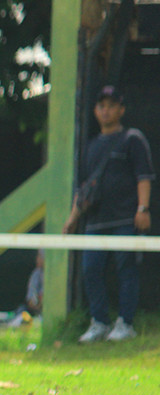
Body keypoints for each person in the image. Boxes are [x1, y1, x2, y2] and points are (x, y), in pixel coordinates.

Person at [64, 85, 154, 343]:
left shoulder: (132, 139)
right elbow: (83, 189)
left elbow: (143, 177)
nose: (106, 111)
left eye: (111, 105)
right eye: (101, 106)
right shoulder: (90, 146)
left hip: (127, 219)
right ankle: (99, 322)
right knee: (90, 269)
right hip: (95, 221)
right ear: (95, 110)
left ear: (121, 109)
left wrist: (143, 208)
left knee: (127, 269)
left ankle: (126, 324)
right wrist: (72, 218)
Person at [9, 250, 43, 327]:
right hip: (36, 311)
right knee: (21, 310)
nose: (37, 259)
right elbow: (30, 298)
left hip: (46, 312)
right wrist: (36, 304)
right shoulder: (36, 274)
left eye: (40, 256)